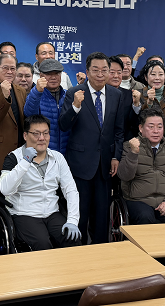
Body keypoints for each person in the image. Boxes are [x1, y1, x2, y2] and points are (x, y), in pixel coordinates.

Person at [59, 52, 124, 244]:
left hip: (105, 165)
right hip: (80, 164)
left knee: (102, 217)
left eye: (104, 70)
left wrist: (116, 156)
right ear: (87, 72)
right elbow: (63, 125)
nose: (100, 74)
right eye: (95, 70)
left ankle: (100, 253)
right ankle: (78, 253)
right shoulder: (74, 93)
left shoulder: (116, 94)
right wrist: (75, 106)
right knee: (80, 214)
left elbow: (118, 130)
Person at [0, 115, 81, 250]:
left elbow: (70, 189)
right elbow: (5, 189)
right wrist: (25, 162)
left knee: (72, 239)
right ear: (25, 136)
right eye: (36, 134)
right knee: (42, 244)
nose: (42, 138)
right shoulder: (14, 158)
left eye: (45, 133)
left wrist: (73, 220)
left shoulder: (58, 158)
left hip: (52, 212)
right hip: (25, 213)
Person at [118, 108, 165, 224]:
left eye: (159, 127)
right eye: (151, 127)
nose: (156, 131)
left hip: (164, 201)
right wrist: (133, 153)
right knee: (145, 216)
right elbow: (124, 176)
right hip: (137, 201)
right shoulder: (129, 146)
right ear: (141, 128)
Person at [24, 59, 69, 154]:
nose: (53, 77)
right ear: (41, 76)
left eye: (57, 73)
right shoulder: (35, 94)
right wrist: (37, 92)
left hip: (66, 153)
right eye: (49, 74)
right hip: (42, 152)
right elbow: (29, 114)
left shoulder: (68, 95)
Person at [137, 60, 165, 128]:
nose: (157, 78)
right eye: (153, 74)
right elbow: (136, 121)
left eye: (161, 74)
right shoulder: (138, 95)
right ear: (146, 77)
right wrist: (149, 103)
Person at [107, 56, 140, 141]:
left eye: (119, 72)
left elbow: (134, 125)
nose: (116, 76)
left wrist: (136, 105)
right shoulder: (97, 94)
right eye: (112, 72)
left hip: (123, 143)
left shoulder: (130, 95)